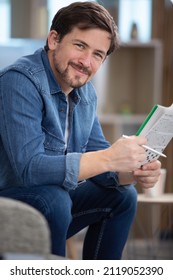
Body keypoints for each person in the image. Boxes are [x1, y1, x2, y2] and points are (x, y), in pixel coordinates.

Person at [0, 1, 161, 260]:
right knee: (55, 199)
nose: (86, 62)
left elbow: (99, 160)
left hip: (54, 203)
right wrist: (109, 158)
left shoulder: (85, 94)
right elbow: (29, 169)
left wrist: (131, 172)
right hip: (11, 199)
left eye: (98, 54)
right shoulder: (19, 81)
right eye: (80, 46)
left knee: (123, 196)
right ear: (54, 39)